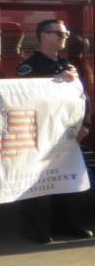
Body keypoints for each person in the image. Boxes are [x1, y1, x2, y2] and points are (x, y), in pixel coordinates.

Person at [16, 19, 93, 243]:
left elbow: (83, 97)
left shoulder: (68, 66)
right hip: (38, 135)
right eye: (59, 33)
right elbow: (22, 99)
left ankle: (66, 222)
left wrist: (85, 125)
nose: (65, 36)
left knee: (67, 180)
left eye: (66, 32)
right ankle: (34, 228)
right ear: (44, 35)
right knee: (38, 183)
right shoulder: (29, 68)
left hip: (67, 134)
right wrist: (55, 82)